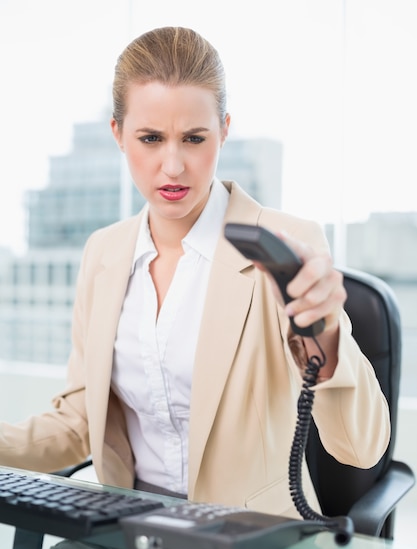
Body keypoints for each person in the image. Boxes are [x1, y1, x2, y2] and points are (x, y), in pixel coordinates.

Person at [0, 26, 390, 520]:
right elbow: (81, 423)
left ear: (224, 129)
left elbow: (361, 448)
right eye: (150, 138)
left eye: (193, 138)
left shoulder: (288, 247)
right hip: (127, 539)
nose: (173, 166)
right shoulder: (103, 253)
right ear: (118, 135)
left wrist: (327, 338)